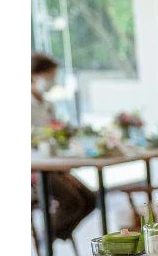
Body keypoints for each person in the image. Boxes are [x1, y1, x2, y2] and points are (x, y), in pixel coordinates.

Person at [31, 52, 96, 241]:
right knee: (72, 201)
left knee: (90, 199)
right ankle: (48, 238)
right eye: (49, 76)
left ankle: (54, 235)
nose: (52, 80)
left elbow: (58, 130)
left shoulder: (48, 105)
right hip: (37, 168)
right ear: (34, 75)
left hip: (55, 164)